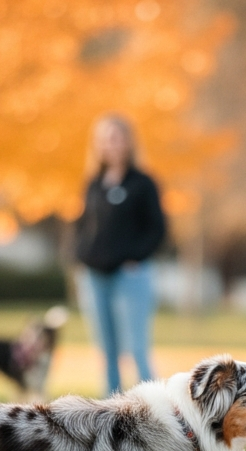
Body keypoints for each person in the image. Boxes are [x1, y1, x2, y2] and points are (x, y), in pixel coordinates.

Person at [75, 114, 167, 395]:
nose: (110, 144)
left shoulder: (143, 183)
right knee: (107, 351)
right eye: (104, 139)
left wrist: (135, 257)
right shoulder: (93, 183)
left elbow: (157, 229)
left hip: (130, 277)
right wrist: (80, 255)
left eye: (116, 138)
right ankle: (110, 408)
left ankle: (156, 407)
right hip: (94, 276)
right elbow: (82, 225)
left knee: (136, 348)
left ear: (128, 142)